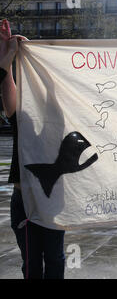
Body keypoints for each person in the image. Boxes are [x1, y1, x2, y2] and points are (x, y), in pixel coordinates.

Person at [0, 19, 65, 279]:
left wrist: (36, 60)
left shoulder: (58, 121)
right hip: (24, 200)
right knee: (33, 262)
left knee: (54, 258)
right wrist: (9, 57)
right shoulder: (21, 120)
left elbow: (52, 90)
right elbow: (6, 87)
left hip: (50, 198)